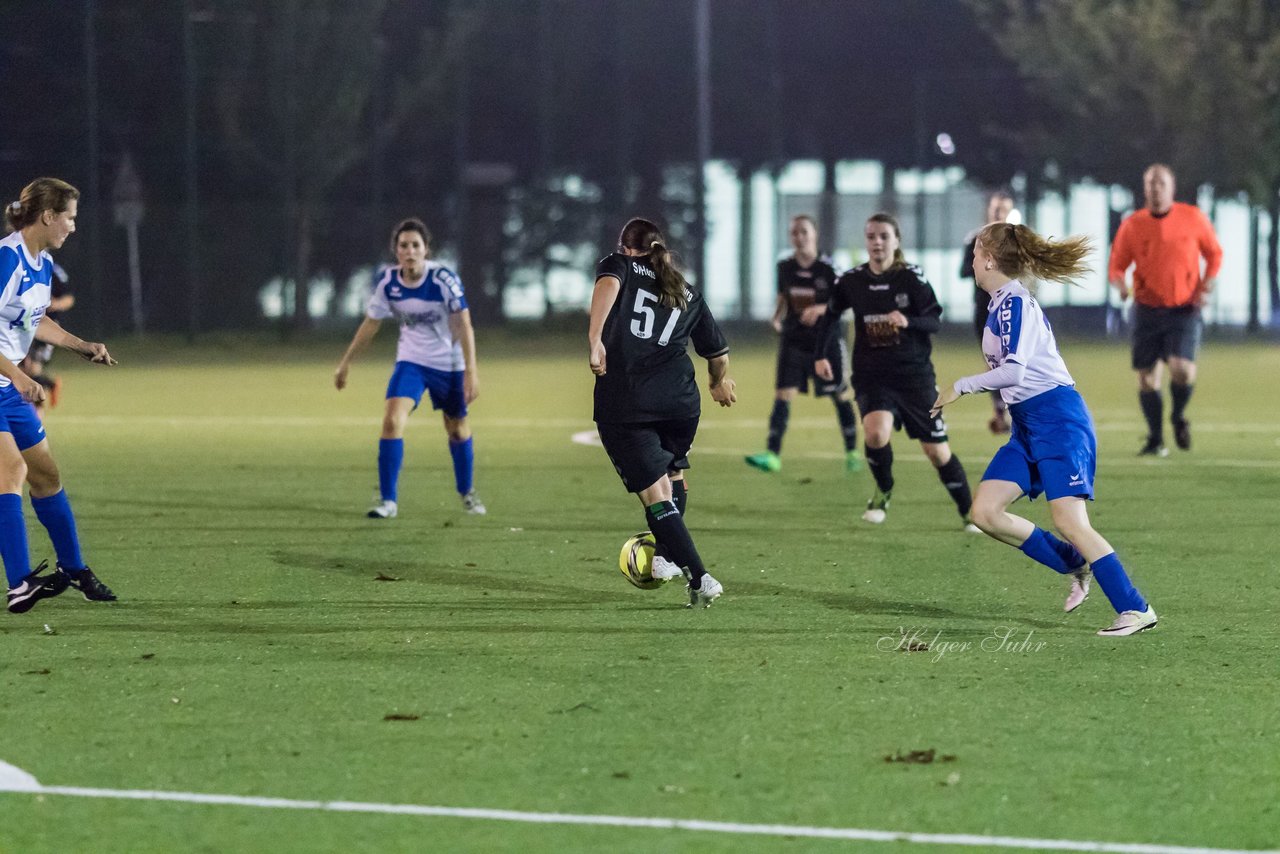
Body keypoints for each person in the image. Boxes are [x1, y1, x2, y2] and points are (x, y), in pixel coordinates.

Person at [932, 221, 1157, 637]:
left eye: (976, 252)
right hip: (1028, 426)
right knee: (984, 511)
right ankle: (1073, 561)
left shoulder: (1015, 302)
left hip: (1058, 421)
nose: (972, 261)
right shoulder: (1000, 303)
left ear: (989, 259)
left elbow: (1014, 372)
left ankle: (1135, 607)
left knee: (1070, 519)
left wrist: (961, 387)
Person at [589, 217, 736, 607]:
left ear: (626, 247)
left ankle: (701, 578)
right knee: (673, 473)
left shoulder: (618, 264)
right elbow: (718, 354)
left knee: (656, 497)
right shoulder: (686, 290)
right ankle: (666, 560)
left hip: (629, 402)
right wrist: (719, 381)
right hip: (681, 403)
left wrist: (595, 339)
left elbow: (608, 287)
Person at [814, 213, 976, 530]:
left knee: (937, 452)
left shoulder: (912, 279)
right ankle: (883, 491)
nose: (877, 242)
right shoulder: (851, 280)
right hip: (872, 376)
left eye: (884, 236)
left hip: (914, 377)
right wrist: (821, 355)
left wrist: (908, 321)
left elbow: (934, 321)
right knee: (876, 433)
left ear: (896, 241)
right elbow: (830, 317)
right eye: (871, 236)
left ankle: (969, 510)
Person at [2, 178, 118, 614]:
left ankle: (74, 569)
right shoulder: (6, 258)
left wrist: (81, 345)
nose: (72, 226)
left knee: (46, 477)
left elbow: (36, 322)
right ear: (47, 216)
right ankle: (18, 585)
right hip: (2, 384)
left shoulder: (42, 263)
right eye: (68, 217)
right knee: (10, 470)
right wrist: (16, 375)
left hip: (8, 390)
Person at [334, 218, 485, 519]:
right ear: (396, 250)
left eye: (416, 245)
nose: (410, 251)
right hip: (412, 362)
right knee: (392, 421)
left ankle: (466, 491)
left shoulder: (443, 278)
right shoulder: (389, 283)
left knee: (456, 429)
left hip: (448, 364)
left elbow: (463, 323)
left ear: (426, 250)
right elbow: (370, 324)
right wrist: (345, 363)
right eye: (404, 245)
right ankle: (388, 501)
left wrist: (471, 370)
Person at [1108, 163, 1222, 456]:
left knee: (1181, 369)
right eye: (1151, 184)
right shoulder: (1133, 225)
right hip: (1146, 308)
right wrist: (1120, 284)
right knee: (1147, 378)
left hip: (1184, 307)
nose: (1156, 189)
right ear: (1145, 189)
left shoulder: (1192, 218)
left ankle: (1177, 416)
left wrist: (1207, 284)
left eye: (1161, 183)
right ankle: (1155, 439)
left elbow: (1214, 254)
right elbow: (1116, 265)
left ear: (1171, 188)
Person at [744, 215, 861, 473]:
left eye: (804, 232)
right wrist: (776, 318)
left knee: (840, 394)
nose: (799, 237)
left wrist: (820, 309)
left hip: (826, 342)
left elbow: (846, 303)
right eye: (794, 233)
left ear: (814, 234)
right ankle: (772, 454)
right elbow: (782, 297)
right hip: (794, 339)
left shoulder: (830, 268)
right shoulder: (784, 267)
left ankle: (852, 451)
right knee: (783, 393)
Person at [960, 190, 1015, 434]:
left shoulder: (1017, 241)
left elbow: (1026, 273)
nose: (998, 213)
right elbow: (963, 270)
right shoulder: (975, 239)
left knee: (1015, 360)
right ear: (988, 210)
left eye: (1003, 210)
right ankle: (1000, 414)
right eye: (995, 209)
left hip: (1012, 309)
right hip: (985, 311)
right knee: (995, 363)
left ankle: (1015, 411)